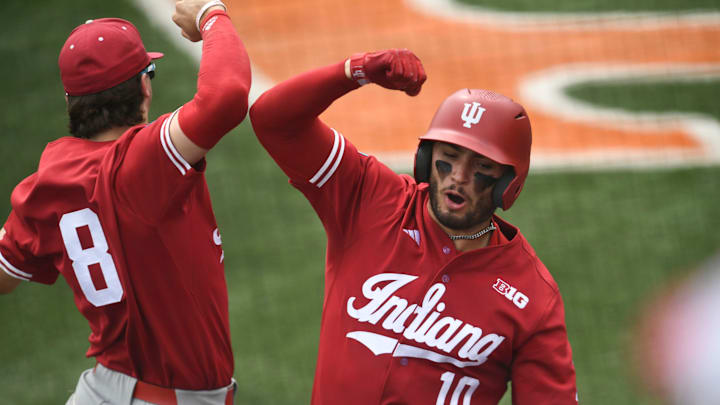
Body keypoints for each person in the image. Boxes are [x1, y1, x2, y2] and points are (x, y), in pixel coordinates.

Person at [249, 49, 577, 404]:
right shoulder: (371, 201)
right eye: (448, 158)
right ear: (425, 157)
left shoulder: (531, 294)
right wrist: (355, 71)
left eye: (481, 166)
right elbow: (273, 121)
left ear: (508, 182)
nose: (458, 178)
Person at [0, 0, 250, 403]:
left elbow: (4, 276)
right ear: (144, 89)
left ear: (71, 103)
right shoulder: (144, 163)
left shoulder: (46, 183)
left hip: (98, 392)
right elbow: (229, 95)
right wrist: (211, 14)